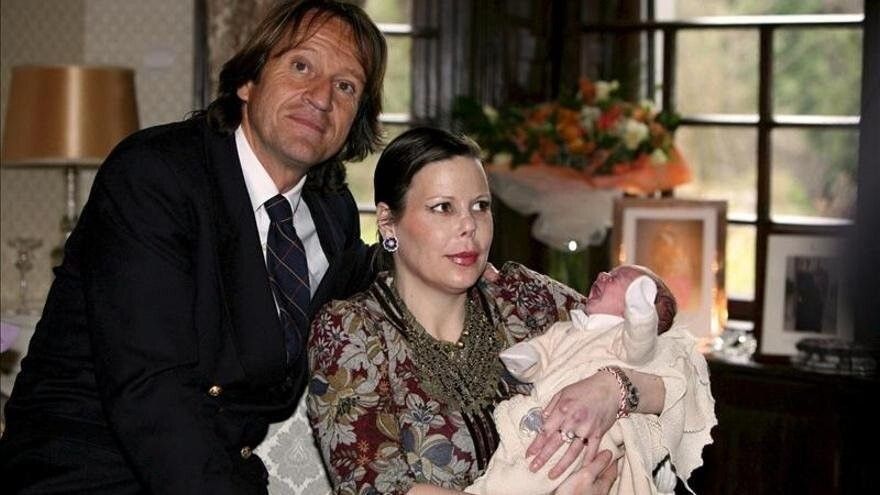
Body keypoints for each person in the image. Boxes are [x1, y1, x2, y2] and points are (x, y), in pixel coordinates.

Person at [0, 1, 385, 493]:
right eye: (301, 66)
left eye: (346, 86)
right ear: (248, 82)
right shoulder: (155, 177)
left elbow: (375, 294)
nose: (321, 97)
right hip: (89, 472)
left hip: (219, 471)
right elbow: (151, 390)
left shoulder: (332, 212)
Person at [306, 127, 711, 494]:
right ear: (388, 222)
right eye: (443, 207)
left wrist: (614, 389)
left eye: (480, 206)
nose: (469, 225)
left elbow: (683, 362)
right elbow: (375, 487)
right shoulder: (350, 331)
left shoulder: (524, 298)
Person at [468, 265, 716, 494]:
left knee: (531, 474)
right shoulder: (566, 328)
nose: (602, 275)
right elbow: (543, 349)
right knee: (507, 462)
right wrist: (527, 358)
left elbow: (642, 347)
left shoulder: (621, 335)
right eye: (607, 273)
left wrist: (641, 318)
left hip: (583, 437)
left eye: (615, 278)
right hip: (542, 416)